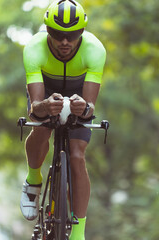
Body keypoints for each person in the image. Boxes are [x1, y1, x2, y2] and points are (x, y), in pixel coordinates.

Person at [20, 0, 106, 239]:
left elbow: (90, 108)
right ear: (47, 31)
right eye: (58, 35)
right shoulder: (34, 48)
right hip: (46, 92)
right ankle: (33, 180)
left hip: (80, 92)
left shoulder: (95, 49)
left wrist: (83, 108)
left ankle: (78, 233)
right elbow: (35, 109)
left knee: (77, 155)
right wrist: (46, 106)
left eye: (73, 34)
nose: (65, 42)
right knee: (41, 130)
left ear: (82, 32)